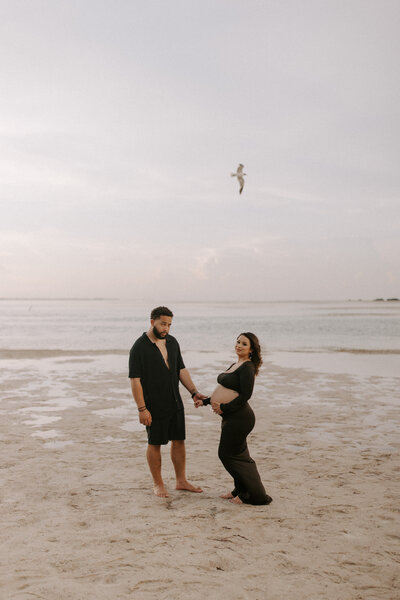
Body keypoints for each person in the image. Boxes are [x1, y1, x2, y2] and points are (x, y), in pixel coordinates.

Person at [129, 306, 207, 498]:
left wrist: (194, 392)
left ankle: (181, 480)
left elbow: (181, 369)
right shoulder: (139, 347)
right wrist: (142, 409)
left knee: (179, 440)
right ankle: (158, 483)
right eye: (163, 324)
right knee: (155, 442)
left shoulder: (172, 342)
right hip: (153, 404)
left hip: (175, 400)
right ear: (152, 322)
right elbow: (135, 380)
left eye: (169, 325)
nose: (166, 328)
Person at [196, 332, 272, 506]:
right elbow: (226, 389)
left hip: (240, 418)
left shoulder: (247, 367)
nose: (239, 345)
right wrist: (206, 401)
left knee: (227, 454)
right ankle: (239, 489)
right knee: (238, 455)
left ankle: (252, 494)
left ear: (251, 349)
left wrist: (223, 408)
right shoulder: (237, 364)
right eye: (238, 342)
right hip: (232, 417)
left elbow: (245, 395)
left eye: (244, 344)